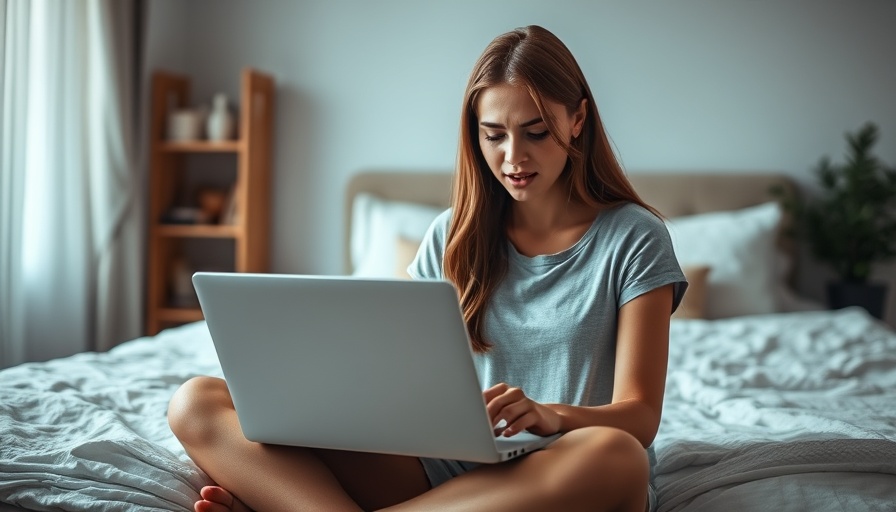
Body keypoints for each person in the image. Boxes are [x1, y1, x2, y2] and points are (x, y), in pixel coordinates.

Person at [168, 24, 686, 512]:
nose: (513, 157)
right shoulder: (451, 234)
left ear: (578, 119)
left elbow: (639, 417)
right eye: (493, 135)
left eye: (536, 132)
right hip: (449, 475)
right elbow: (399, 373)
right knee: (196, 401)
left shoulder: (634, 237)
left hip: (562, 468)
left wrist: (553, 415)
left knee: (617, 456)